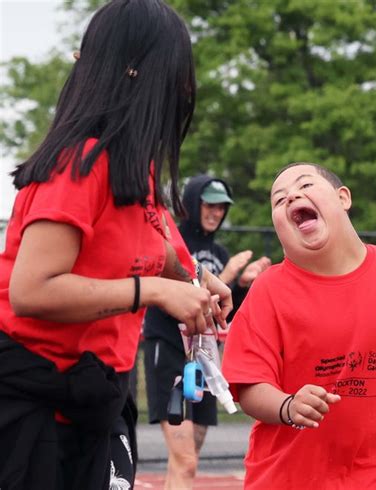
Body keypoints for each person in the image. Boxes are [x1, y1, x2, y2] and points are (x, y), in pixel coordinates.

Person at [0, 2, 232, 489]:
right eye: (177, 72)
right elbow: (32, 290)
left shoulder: (135, 169)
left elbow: (156, 248)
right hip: (33, 407)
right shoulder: (78, 163)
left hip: (99, 397)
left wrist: (196, 281)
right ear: (136, 70)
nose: (186, 89)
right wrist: (153, 292)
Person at [221, 162, 376, 489]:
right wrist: (288, 405)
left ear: (343, 198)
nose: (292, 195)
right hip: (286, 478)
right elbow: (248, 385)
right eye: (279, 200)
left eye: (306, 185)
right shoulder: (268, 290)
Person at [143, 174, 271, 490]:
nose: (215, 213)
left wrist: (241, 286)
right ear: (192, 203)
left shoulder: (222, 253)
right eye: (209, 205)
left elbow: (225, 312)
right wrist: (226, 276)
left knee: (186, 461)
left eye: (221, 208)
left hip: (204, 358)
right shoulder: (171, 242)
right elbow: (173, 292)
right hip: (169, 346)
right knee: (185, 458)